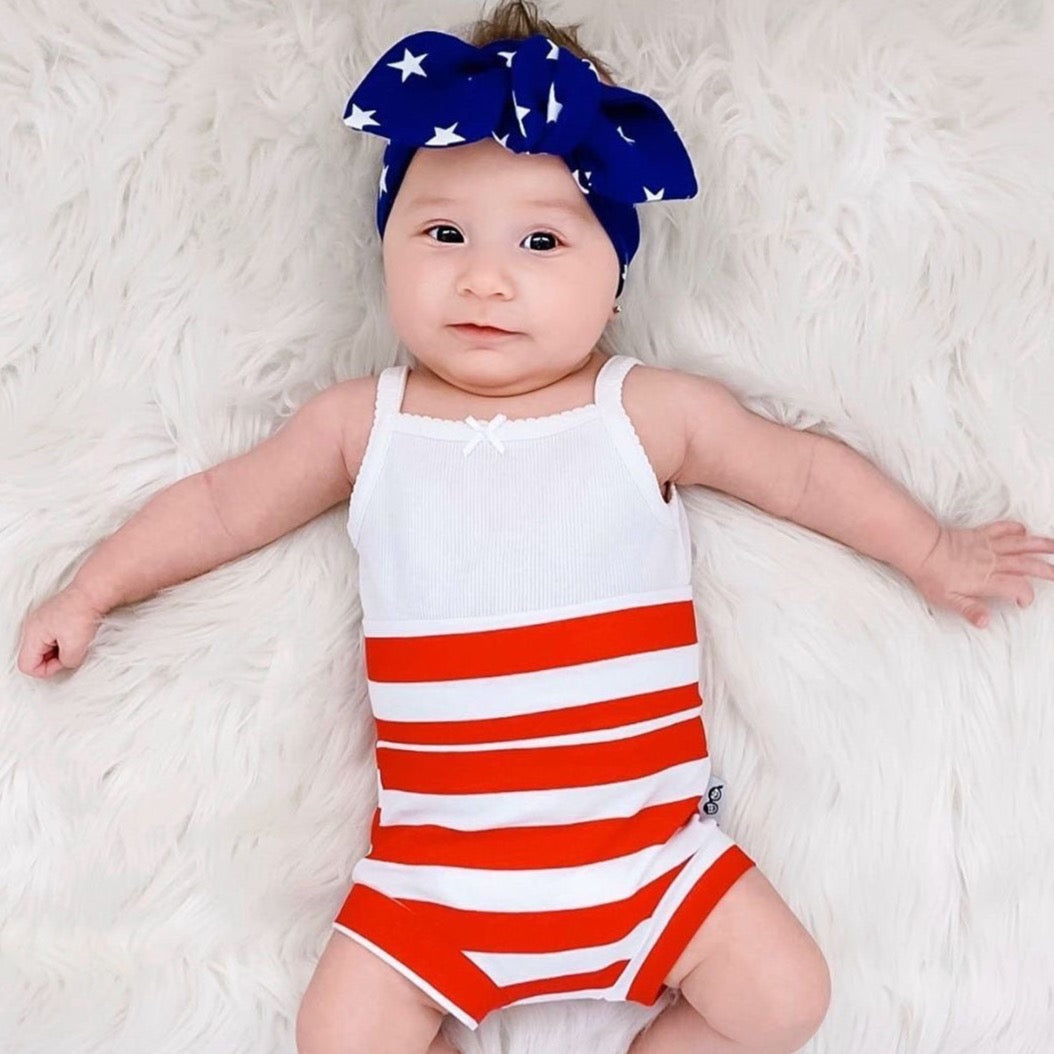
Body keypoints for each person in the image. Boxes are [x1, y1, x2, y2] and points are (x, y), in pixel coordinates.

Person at [16, 2, 1054, 1052]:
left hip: (648, 860)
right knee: (337, 1036)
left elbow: (799, 472)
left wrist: (932, 549)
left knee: (783, 997)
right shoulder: (361, 424)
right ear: (387, 245)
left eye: (542, 240)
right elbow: (219, 506)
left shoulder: (639, 411)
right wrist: (95, 587)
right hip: (433, 882)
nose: (484, 276)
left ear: (612, 281)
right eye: (442, 233)